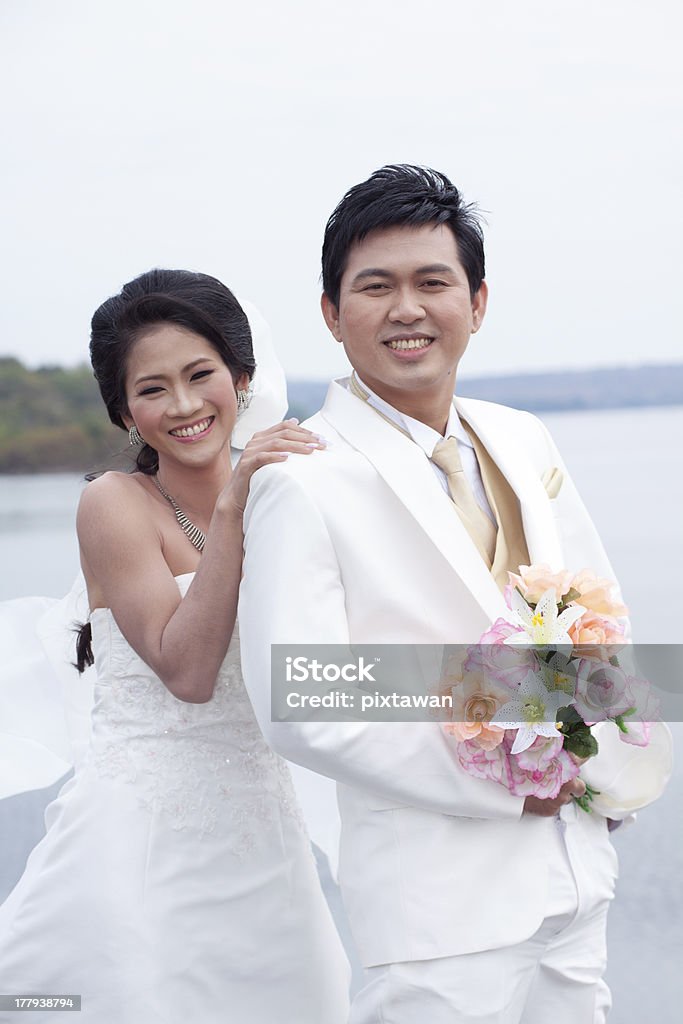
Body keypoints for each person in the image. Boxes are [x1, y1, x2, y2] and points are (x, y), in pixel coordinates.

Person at [238, 166, 670, 1023]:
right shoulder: (302, 480)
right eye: (376, 287)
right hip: (437, 909)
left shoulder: (520, 434)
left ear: (475, 302)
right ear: (331, 313)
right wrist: (508, 778)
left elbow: (599, 620)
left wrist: (602, 774)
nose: (408, 308)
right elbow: (304, 699)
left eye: (433, 283)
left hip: (576, 880)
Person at [0, 269, 350, 1023]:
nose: (185, 407)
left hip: (264, 842)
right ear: (124, 411)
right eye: (152, 389)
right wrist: (231, 507)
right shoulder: (113, 504)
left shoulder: (292, 491)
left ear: (242, 377)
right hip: (139, 844)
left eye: (201, 376)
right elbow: (186, 670)